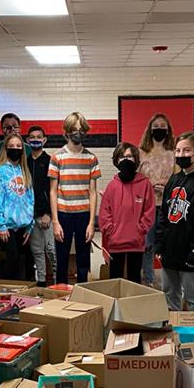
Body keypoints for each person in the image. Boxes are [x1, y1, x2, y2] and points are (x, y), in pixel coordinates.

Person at [155, 131, 194, 312]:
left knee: (193, 298)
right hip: (170, 250)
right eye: (178, 151)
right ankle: (173, 334)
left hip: (190, 251)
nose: (181, 155)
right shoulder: (174, 179)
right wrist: (160, 244)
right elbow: (163, 215)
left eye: (187, 150)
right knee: (169, 295)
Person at [49, 112, 100, 284]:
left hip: (84, 214)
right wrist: (55, 221)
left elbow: (93, 192)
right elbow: (53, 191)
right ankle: (60, 295)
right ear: (67, 131)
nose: (78, 133)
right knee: (62, 259)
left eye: (81, 129)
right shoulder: (57, 158)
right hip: (63, 213)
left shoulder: (91, 158)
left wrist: (92, 222)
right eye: (74, 129)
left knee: (83, 260)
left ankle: (82, 295)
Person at [99, 142, 155, 283]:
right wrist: (111, 230)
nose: (126, 160)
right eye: (122, 157)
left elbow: (149, 211)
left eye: (129, 157)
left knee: (134, 279)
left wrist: (140, 230)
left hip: (136, 243)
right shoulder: (112, 185)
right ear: (116, 161)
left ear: (136, 160)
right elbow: (105, 212)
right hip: (116, 242)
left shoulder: (145, 184)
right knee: (115, 281)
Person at [0, 132, 34, 280]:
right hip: (7, 226)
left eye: (18, 146)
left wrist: (30, 224)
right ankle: (6, 290)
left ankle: (23, 293)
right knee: (12, 259)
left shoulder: (25, 170)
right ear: (6, 149)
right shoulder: (0, 171)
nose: (15, 149)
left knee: (24, 261)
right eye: (12, 146)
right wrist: (0, 224)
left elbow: (30, 199)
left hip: (24, 226)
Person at [138, 113, 176, 286]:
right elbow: (136, 178)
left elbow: (179, 178)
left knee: (168, 244)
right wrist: (150, 185)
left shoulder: (173, 152)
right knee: (148, 245)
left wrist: (166, 186)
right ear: (150, 129)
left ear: (168, 129)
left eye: (163, 126)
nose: (159, 129)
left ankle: (169, 281)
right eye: (156, 126)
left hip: (169, 205)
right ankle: (149, 280)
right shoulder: (142, 152)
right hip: (147, 205)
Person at [25, 125, 56, 287]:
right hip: (30, 216)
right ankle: (41, 283)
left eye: (39, 137)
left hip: (46, 215)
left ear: (44, 140)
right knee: (37, 251)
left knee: (51, 250)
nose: (36, 140)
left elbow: (54, 190)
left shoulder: (50, 161)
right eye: (32, 137)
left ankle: (58, 283)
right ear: (27, 140)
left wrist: (49, 214)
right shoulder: (25, 162)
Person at [0, 113, 31, 208]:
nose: (11, 129)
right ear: (2, 129)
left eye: (14, 126)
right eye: (7, 127)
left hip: (22, 200)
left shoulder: (27, 149)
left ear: (19, 128)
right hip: (1, 200)